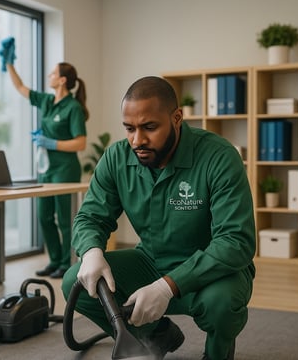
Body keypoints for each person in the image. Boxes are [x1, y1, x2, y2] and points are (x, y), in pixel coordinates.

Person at [62, 76, 255, 360]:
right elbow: (90, 216)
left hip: (211, 271)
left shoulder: (219, 156)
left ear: (177, 118)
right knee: (75, 283)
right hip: (150, 262)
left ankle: (218, 352)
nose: (137, 140)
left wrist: (167, 286)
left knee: (221, 303)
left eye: (149, 127)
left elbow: (236, 241)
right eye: (129, 129)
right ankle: (155, 335)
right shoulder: (116, 158)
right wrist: (91, 251)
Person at [0, 37, 88, 279]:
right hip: (46, 169)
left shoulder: (73, 108)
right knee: (44, 216)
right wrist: (9, 64)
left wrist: (52, 142)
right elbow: (21, 88)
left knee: (64, 219)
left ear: (62, 80)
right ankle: (54, 260)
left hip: (65, 170)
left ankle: (67, 263)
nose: (49, 75)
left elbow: (81, 142)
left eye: (52, 73)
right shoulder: (48, 102)